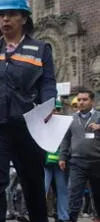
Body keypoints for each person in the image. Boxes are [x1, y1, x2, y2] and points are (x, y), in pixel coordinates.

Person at [0, 0, 56, 222]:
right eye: (1, 15)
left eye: (11, 14)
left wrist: (49, 105)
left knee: (32, 181)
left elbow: (48, 83)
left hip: (27, 126)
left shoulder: (40, 50)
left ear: (24, 18)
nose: (5, 20)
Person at [60, 88, 100, 222]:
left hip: (97, 162)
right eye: (79, 99)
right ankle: (72, 219)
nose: (81, 102)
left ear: (92, 101)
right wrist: (62, 157)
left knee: (98, 194)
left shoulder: (99, 116)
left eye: (85, 99)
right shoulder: (71, 118)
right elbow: (66, 139)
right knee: (74, 193)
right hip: (77, 162)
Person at [43, 100, 69, 222]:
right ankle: (39, 215)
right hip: (44, 162)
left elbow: (68, 143)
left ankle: (63, 217)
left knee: (62, 189)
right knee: (42, 188)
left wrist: (64, 157)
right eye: (53, 110)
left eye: (58, 110)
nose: (55, 113)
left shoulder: (66, 125)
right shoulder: (42, 124)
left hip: (61, 163)